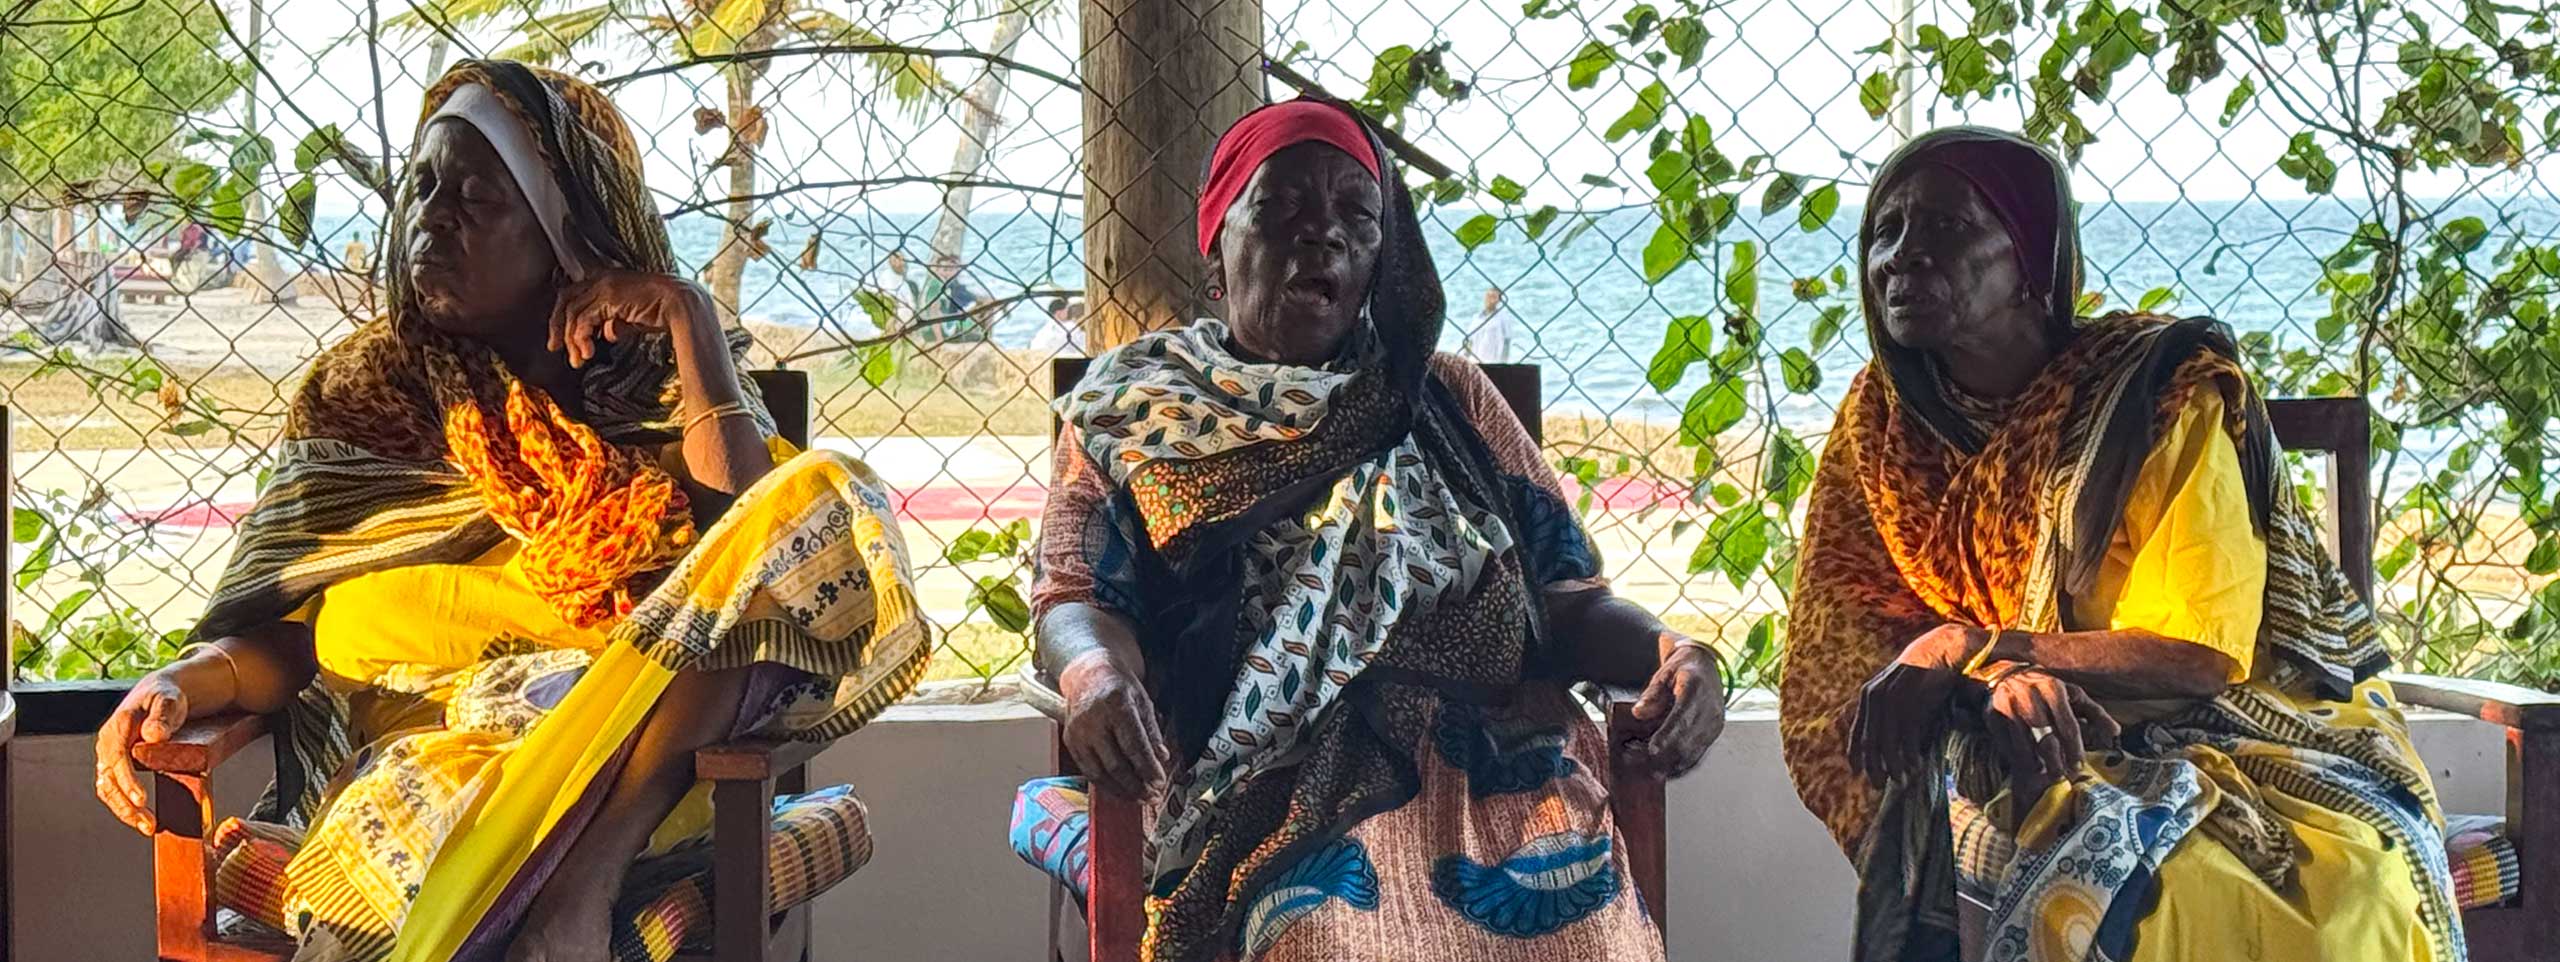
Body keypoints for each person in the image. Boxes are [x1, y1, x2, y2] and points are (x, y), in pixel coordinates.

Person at [89, 60, 929, 962]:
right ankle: (554, 899)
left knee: (818, 497)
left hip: (638, 773)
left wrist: (690, 320)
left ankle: (583, 883)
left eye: (477, 199)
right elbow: (292, 634)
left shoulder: (663, 389)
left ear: (569, 234)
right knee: (430, 824)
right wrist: (182, 683)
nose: (432, 216)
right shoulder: (364, 397)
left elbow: (752, 569)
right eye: (422, 188)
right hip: (434, 762)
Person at [1018, 97, 1723, 962]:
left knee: (1580, 933)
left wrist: (1677, 654)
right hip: (1269, 775)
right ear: (1217, 249)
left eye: (1358, 215)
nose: (1323, 236)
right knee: (1320, 934)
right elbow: (1076, 593)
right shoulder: (1135, 409)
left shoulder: (1450, 399)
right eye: (1281, 209)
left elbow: (1569, 602)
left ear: (1384, 261)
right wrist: (1093, 674)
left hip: (1502, 770)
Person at [1778, 127, 2462, 962]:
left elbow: (2198, 658)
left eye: (1948, 228)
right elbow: (1847, 651)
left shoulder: (2154, 395)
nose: (1902, 257)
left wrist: (1980, 647)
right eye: (1885, 230)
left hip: (2245, 729)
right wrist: (1991, 686)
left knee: (2270, 892)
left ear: (2033, 255)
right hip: (2003, 740)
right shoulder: (1880, 427)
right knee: (2040, 850)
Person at [917, 253, 985, 345]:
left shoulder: (946, 284)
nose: (948, 273)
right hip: (936, 331)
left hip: (944, 327)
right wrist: (939, 338)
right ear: (937, 270)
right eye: (945, 270)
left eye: (950, 270)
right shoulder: (935, 285)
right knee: (978, 337)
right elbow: (934, 311)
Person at [1462, 286, 1513, 363]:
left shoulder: (1503, 318)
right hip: (1475, 361)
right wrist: (1464, 359)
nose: (1490, 300)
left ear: (1499, 300)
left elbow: (1507, 342)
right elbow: (1470, 341)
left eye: (1493, 297)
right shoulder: (1476, 318)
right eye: (1488, 296)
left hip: (1493, 361)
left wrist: (1504, 362)